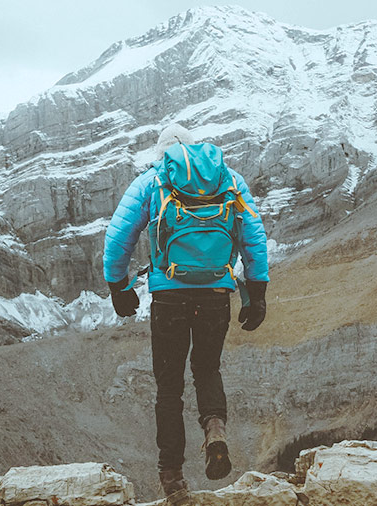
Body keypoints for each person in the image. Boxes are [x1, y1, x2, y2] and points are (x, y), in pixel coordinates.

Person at [103, 124, 269, 504]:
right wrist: (256, 290)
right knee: (207, 369)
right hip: (215, 293)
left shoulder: (153, 180)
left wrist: (119, 286)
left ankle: (174, 480)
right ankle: (214, 429)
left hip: (170, 298)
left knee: (169, 389)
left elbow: (117, 236)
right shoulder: (229, 178)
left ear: (162, 153)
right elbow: (253, 233)